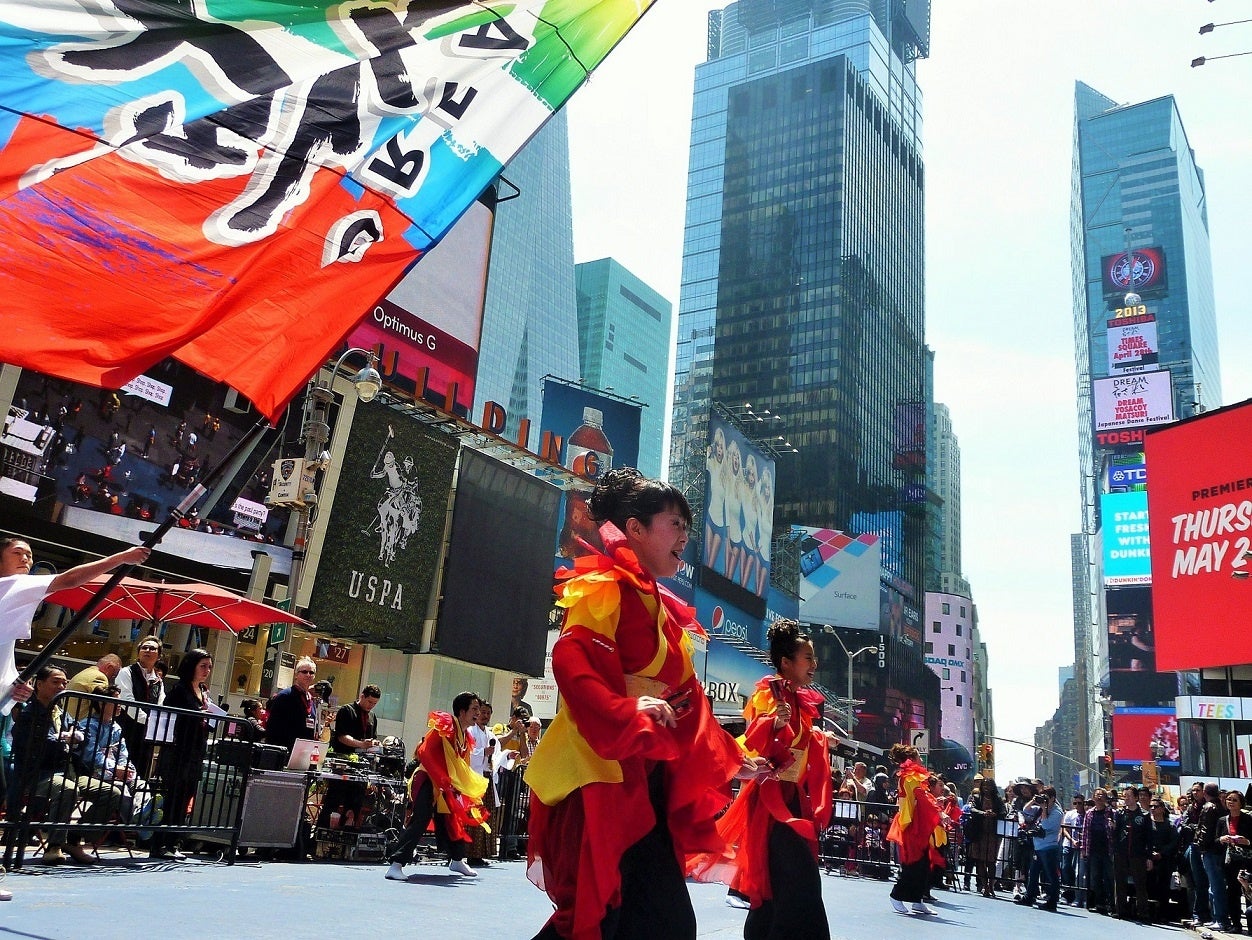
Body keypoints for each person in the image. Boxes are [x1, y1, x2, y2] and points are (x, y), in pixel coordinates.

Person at [524, 468, 760, 940]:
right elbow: (572, 659)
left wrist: (735, 758)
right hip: (598, 773)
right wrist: (624, 707)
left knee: (656, 923)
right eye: (675, 524)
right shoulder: (605, 586)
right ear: (635, 528)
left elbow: (690, 701)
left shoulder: (663, 608)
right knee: (596, 919)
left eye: (687, 528)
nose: (685, 538)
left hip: (644, 783)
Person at [0, 538, 148, 897]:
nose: (27, 558)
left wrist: (12, 686)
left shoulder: (12, 600)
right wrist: (123, 557)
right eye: (18, 552)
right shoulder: (11, 585)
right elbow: (68, 579)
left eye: (30, 554)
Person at [692, 620, 832, 939]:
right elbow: (755, 741)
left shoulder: (797, 699)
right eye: (807, 657)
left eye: (813, 658)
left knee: (780, 881)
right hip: (772, 802)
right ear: (786, 662)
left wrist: (820, 739)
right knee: (799, 880)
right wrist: (773, 724)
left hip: (790, 797)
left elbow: (798, 743)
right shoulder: (770, 694)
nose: (814, 664)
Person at [11, 665, 123, 865]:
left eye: (64, 682)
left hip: (68, 771)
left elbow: (81, 735)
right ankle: (54, 845)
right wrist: (63, 740)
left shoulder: (61, 713)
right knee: (67, 789)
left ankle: (73, 838)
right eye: (55, 682)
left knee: (112, 793)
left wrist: (77, 737)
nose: (62, 687)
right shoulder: (28, 713)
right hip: (38, 774)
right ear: (39, 684)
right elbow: (37, 745)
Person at [384, 691, 488, 881]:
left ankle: (457, 860)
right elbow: (424, 752)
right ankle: (396, 865)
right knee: (421, 819)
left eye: (478, 709)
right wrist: (442, 779)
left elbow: (461, 766)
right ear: (461, 711)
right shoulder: (445, 725)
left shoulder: (466, 737)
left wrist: (458, 785)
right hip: (427, 779)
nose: (477, 713)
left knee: (453, 819)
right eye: (474, 709)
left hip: (445, 784)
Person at [150, 649, 215, 860]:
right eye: (203, 666)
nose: (207, 670)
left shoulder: (203, 691)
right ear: (191, 666)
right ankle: (161, 843)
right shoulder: (179, 690)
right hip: (178, 751)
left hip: (196, 750)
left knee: (186, 797)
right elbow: (170, 717)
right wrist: (196, 716)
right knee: (174, 798)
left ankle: (174, 842)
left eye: (209, 666)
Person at [885, 742, 942, 915]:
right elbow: (922, 797)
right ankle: (896, 895)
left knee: (923, 863)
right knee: (913, 863)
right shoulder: (910, 777)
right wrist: (940, 812)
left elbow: (923, 797)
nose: (921, 759)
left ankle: (917, 900)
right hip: (911, 824)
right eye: (918, 756)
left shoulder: (912, 776)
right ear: (912, 759)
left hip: (917, 822)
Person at [318, 684, 381, 827]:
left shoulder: (372, 716)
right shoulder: (347, 710)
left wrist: (374, 744)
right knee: (334, 800)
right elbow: (341, 736)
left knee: (355, 804)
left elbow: (373, 737)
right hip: (343, 763)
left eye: (375, 703)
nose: (371, 706)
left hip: (361, 767)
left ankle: (348, 832)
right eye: (369, 702)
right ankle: (323, 830)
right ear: (362, 696)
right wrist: (361, 744)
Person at [115, 636, 166, 772]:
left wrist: (155, 723)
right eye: (144, 647)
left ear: (159, 656)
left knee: (142, 769)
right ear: (138, 653)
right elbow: (127, 700)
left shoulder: (158, 681)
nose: (147, 650)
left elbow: (161, 703)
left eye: (152, 648)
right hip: (127, 729)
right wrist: (148, 721)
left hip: (146, 734)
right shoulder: (126, 672)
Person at [1016, 785, 1063, 912]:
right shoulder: (1041, 808)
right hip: (1038, 847)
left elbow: (1046, 825)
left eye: (1046, 797)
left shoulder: (1057, 812)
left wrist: (1044, 809)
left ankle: (1052, 902)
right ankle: (1029, 897)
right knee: (1033, 873)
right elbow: (1025, 810)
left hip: (1049, 847)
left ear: (1053, 798)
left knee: (1051, 876)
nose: (1044, 800)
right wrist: (1034, 800)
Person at [264, 657, 319, 755]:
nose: (308, 675)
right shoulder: (285, 696)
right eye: (304, 672)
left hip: (303, 753)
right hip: (284, 752)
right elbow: (272, 728)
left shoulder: (310, 699)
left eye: (311, 672)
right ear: (296, 675)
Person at [963, 775, 1005, 897]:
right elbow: (972, 809)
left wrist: (994, 814)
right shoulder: (977, 797)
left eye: (989, 785)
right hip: (979, 833)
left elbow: (1003, 811)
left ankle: (991, 886)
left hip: (993, 834)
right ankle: (984, 885)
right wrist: (983, 813)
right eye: (984, 785)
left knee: (991, 861)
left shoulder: (997, 799)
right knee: (980, 860)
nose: (987, 788)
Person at [1218, 789, 1252, 933]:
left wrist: (1247, 841)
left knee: (1248, 891)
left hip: (1247, 861)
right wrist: (1221, 839)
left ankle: (1251, 925)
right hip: (1230, 861)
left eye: (1234, 800)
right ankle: (1236, 924)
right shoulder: (1222, 820)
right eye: (1229, 799)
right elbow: (1215, 840)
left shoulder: (1249, 819)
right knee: (1232, 893)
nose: (1231, 802)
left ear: (1241, 803)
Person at [1082, 788, 1117, 914]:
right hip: (1093, 850)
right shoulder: (1089, 813)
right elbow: (1085, 832)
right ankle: (1099, 904)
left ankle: (1112, 905)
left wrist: (1114, 826)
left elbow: (1117, 831)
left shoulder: (1112, 813)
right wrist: (1084, 849)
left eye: (1102, 795)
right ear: (1093, 797)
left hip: (1108, 850)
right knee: (1095, 878)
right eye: (1097, 795)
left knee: (1109, 878)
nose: (1099, 797)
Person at [65, 654, 122, 720]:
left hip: (70, 719)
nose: (113, 678)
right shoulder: (99, 677)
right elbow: (105, 709)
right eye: (114, 674)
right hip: (83, 723)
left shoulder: (86, 672)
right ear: (109, 667)